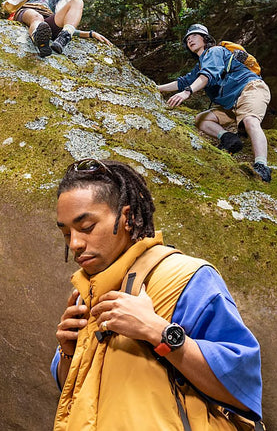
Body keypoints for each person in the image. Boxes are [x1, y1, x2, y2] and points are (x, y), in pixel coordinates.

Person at [51, 158, 263, 430]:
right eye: (66, 233)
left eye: (86, 227)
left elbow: (243, 390)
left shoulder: (187, 278)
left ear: (127, 218)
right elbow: (76, 397)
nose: (75, 243)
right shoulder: (84, 296)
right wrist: (68, 353)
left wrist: (158, 332)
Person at [157, 24, 273, 183]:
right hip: (232, 104)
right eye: (187, 39)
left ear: (205, 38)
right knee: (201, 119)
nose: (190, 40)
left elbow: (207, 76)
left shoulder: (215, 51)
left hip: (250, 89)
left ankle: (262, 165)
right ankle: (229, 139)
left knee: (250, 120)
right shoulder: (200, 65)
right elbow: (183, 82)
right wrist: (156, 88)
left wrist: (187, 92)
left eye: (194, 36)